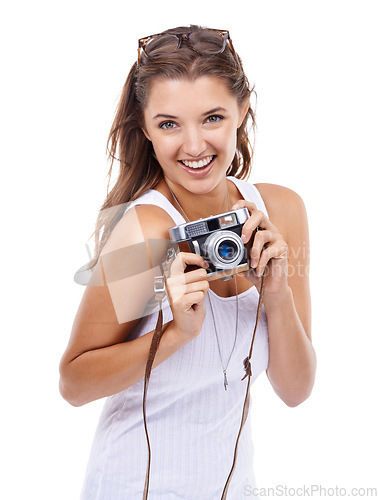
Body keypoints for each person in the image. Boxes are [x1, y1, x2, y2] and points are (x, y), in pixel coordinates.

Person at [59, 25, 316, 499]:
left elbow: (295, 391)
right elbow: (73, 383)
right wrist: (174, 335)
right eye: (169, 124)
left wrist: (276, 296)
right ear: (146, 130)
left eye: (213, 117)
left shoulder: (280, 212)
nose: (194, 146)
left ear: (242, 110)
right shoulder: (147, 231)